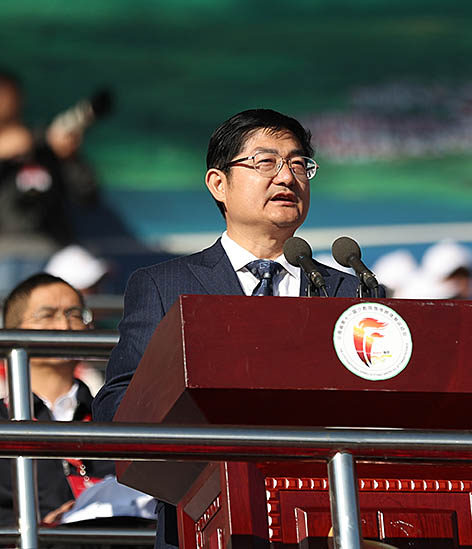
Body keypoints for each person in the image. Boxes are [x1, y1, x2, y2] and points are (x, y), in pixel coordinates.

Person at [93, 109, 362, 549]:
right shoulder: (165, 286)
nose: (286, 177)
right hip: (203, 513)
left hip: (327, 515)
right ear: (219, 183)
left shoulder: (348, 292)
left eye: (298, 164)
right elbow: (118, 406)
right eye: (266, 162)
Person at [0, 273, 115, 528]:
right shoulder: (3, 424)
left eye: (75, 314)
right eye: (47, 315)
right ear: (12, 330)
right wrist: (39, 530)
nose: (64, 326)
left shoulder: (115, 417)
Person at [0, 70, 100, 294]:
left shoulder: (47, 149)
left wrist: (70, 157)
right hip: (4, 253)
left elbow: (88, 196)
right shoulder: (35, 139)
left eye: (9, 93)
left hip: (51, 252)